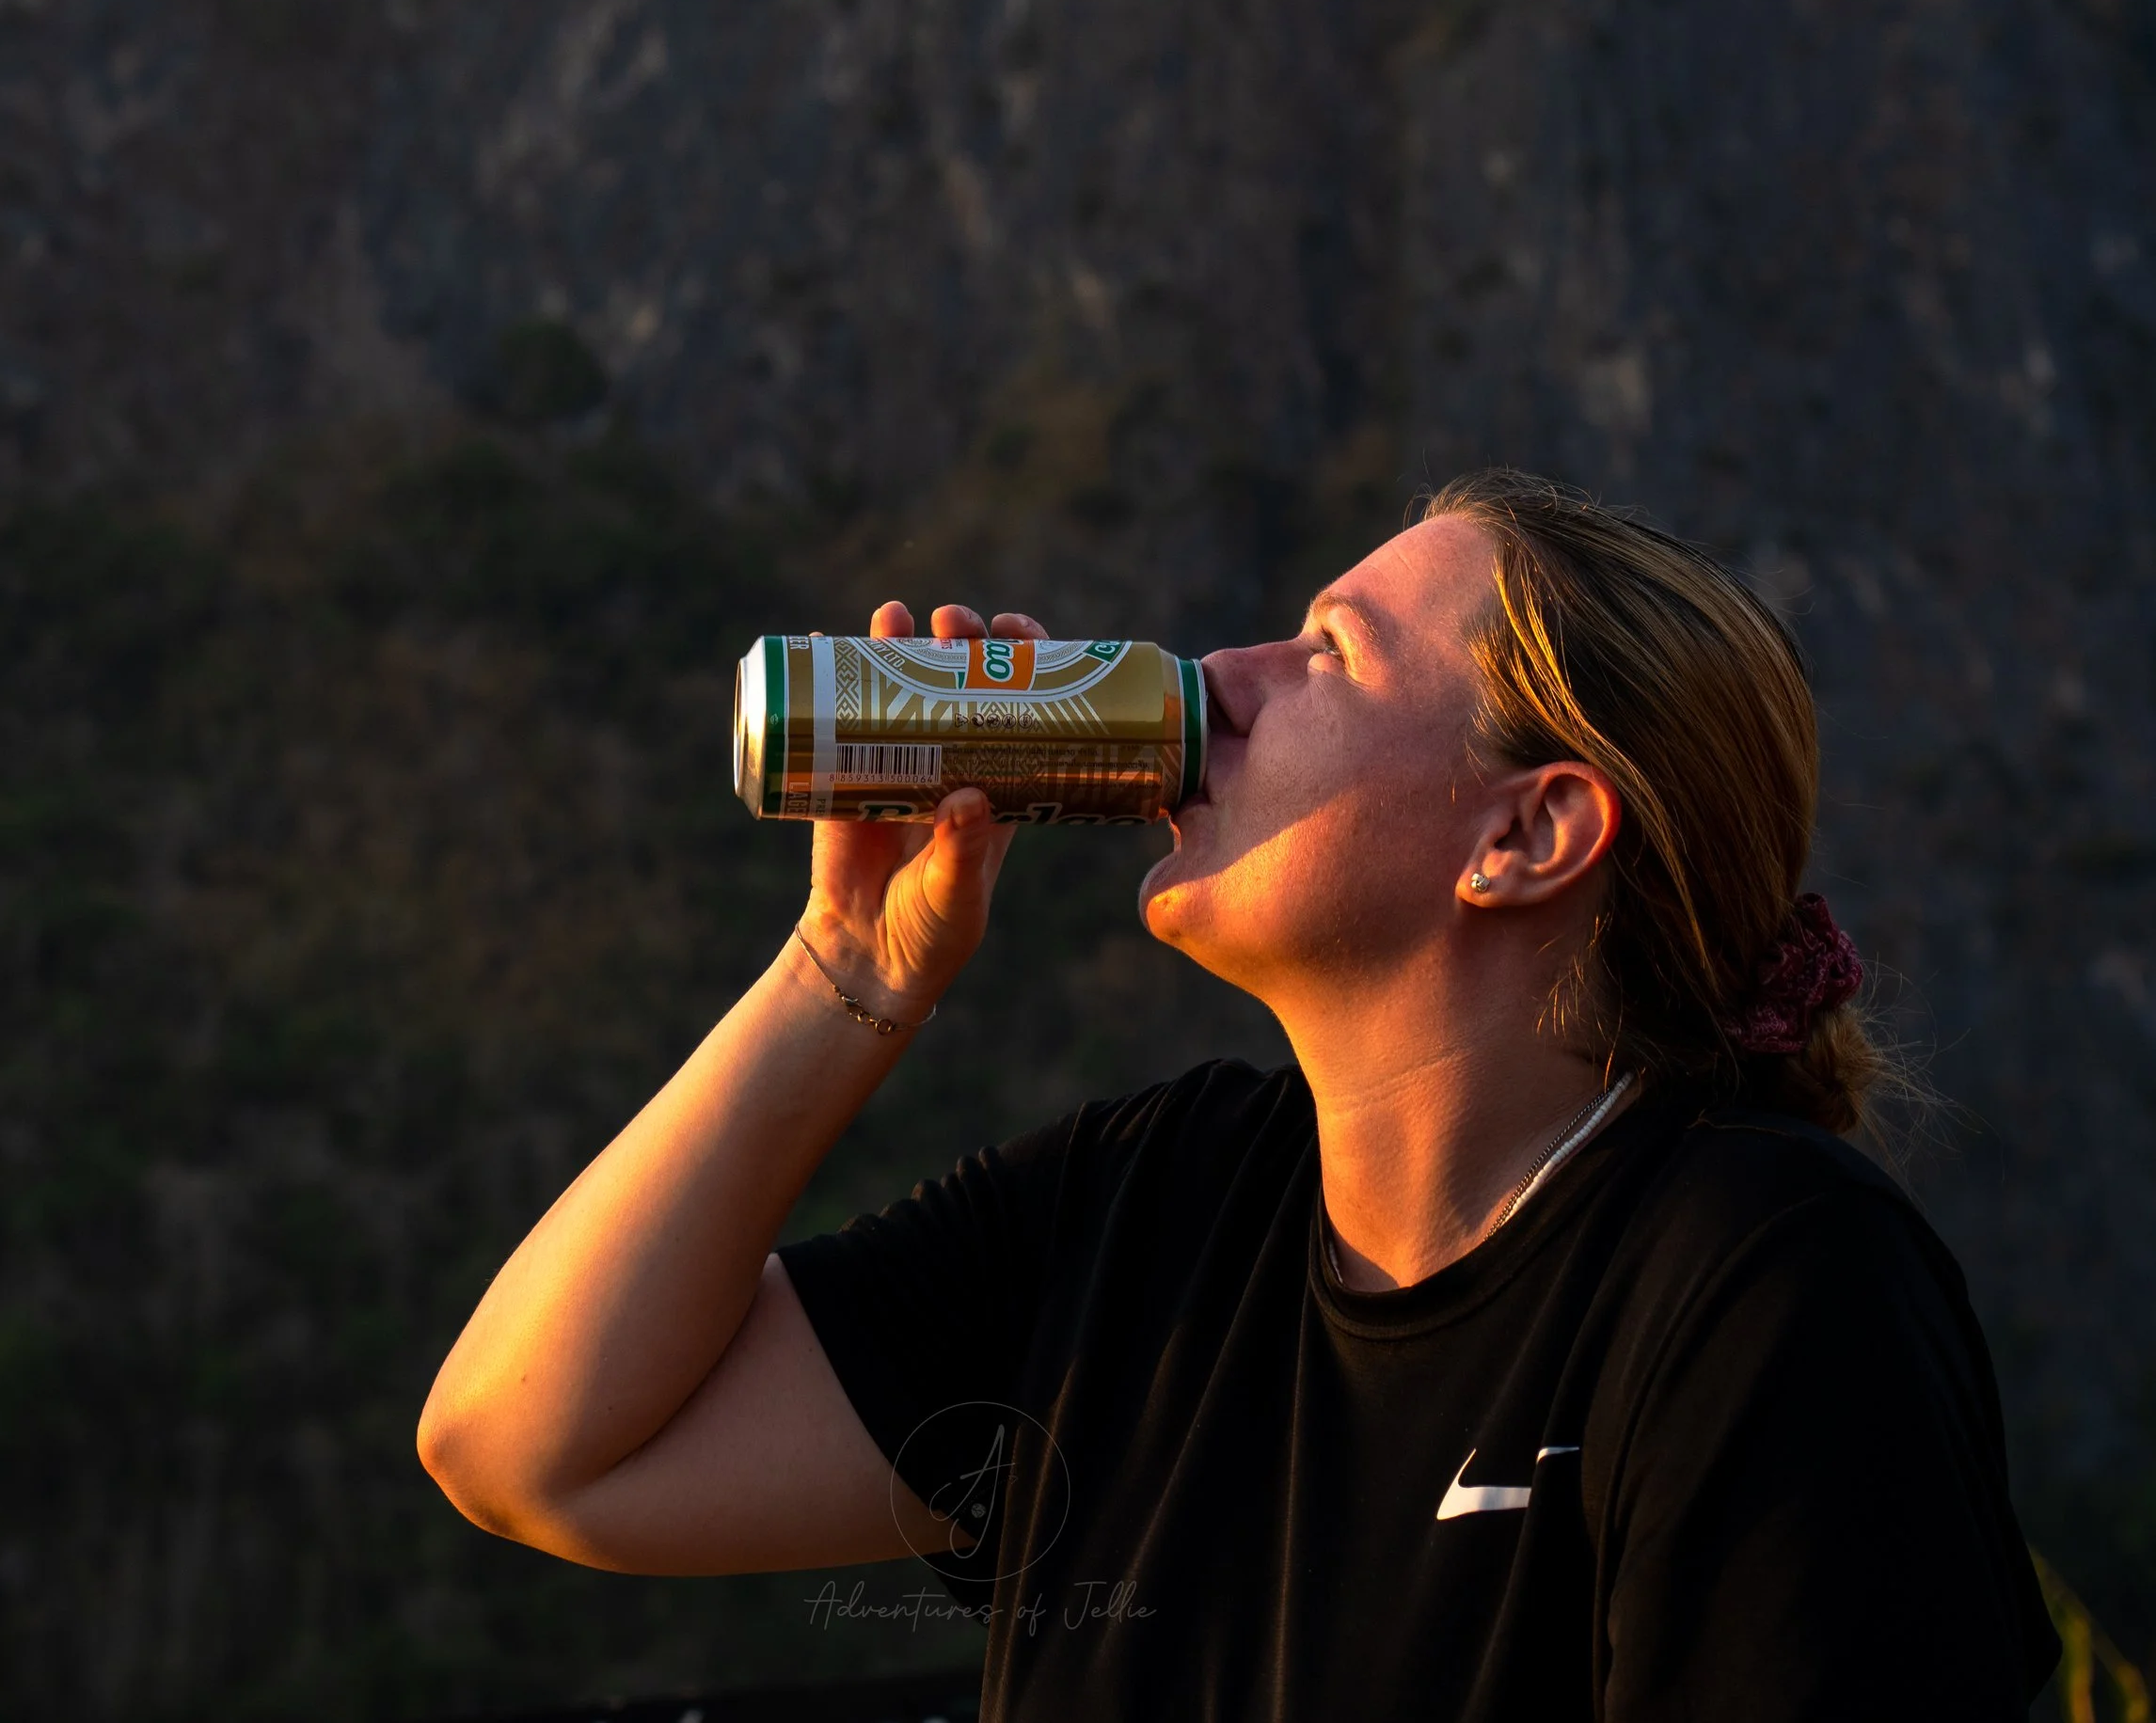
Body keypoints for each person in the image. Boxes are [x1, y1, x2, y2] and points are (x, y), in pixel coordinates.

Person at [418, 469, 2060, 1719]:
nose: (1222, 673)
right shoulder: (1156, 1208)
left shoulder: (1758, 1281)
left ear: (1528, 834)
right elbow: (532, 1451)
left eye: (1329, 650)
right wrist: (846, 971)